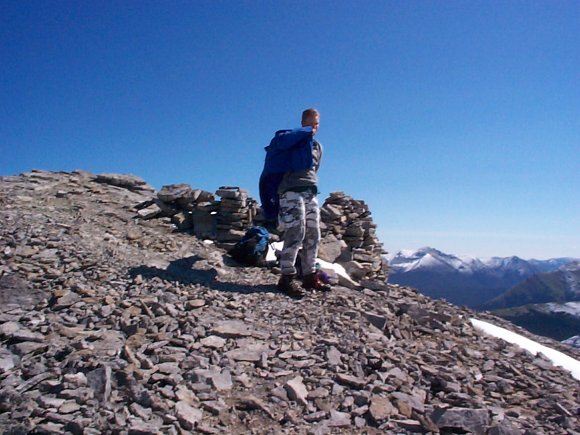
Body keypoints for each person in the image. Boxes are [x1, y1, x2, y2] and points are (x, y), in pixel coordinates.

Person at [276, 108, 331, 297]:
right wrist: (305, 132)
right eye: (311, 123)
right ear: (303, 123)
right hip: (291, 189)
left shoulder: (317, 147)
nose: (315, 127)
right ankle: (286, 277)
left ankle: (309, 276)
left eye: (317, 124)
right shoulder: (290, 138)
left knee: (313, 233)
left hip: (310, 191)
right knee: (296, 231)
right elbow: (280, 144)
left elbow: (315, 169)